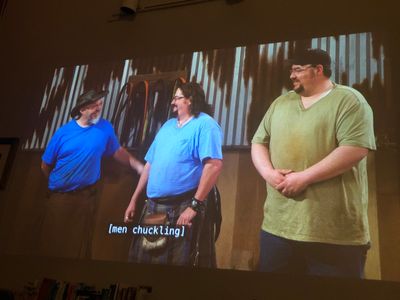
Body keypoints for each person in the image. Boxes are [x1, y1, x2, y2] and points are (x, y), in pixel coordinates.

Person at [251, 48, 376, 278]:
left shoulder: (349, 100)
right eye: (291, 70)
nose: (292, 75)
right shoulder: (281, 103)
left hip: (332, 234)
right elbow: (258, 142)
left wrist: (304, 177)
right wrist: (268, 173)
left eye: (298, 70)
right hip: (278, 229)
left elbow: (355, 148)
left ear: (319, 70)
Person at [124, 82, 223, 266]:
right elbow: (149, 164)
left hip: (182, 207)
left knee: (177, 268)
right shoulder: (167, 126)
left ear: (190, 100)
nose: (172, 102)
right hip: (153, 207)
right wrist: (134, 199)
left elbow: (213, 166)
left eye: (177, 98)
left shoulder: (205, 124)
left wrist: (194, 206)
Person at [39, 89, 143, 259]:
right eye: (94, 106)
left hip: (86, 198)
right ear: (82, 109)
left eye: (100, 105)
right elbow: (45, 165)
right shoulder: (63, 132)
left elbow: (116, 150)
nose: (98, 109)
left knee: (79, 251)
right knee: (53, 249)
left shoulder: (105, 128)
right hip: (60, 199)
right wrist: (58, 186)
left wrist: (138, 166)